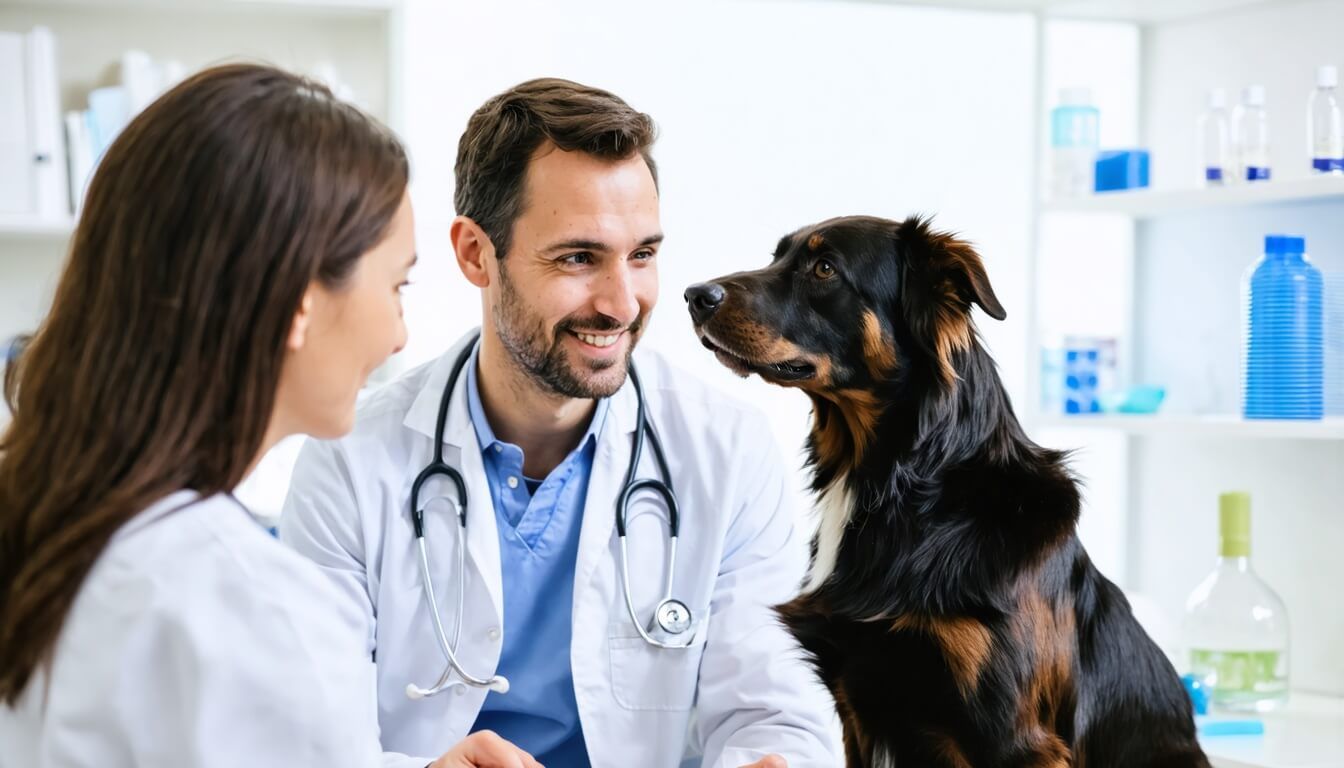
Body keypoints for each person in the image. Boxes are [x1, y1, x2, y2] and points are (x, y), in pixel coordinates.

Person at [281, 77, 840, 768]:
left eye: (641, 255)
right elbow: (299, 729)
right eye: (578, 258)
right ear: (475, 254)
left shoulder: (725, 451)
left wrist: (774, 759)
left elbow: (778, 709)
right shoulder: (350, 457)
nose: (621, 304)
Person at [0, 64, 538, 768]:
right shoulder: (252, 608)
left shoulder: (44, 517)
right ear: (298, 303)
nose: (398, 336)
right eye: (396, 285)